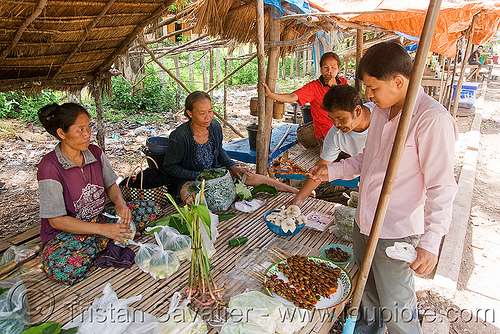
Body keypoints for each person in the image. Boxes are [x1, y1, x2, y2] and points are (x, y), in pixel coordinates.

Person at [312, 42, 458, 333]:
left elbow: (441, 186)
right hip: (364, 221)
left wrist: (430, 243)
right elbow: (370, 160)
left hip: (396, 231)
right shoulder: (380, 111)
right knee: (367, 298)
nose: (368, 96)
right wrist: (333, 170)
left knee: (397, 310)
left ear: (399, 82)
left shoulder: (431, 120)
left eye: (373, 88)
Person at [37, 103, 158, 285]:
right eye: (80, 130)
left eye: (88, 127)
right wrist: (103, 230)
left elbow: (111, 185)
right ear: (62, 133)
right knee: (61, 268)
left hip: (99, 218)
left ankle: (106, 240)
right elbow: (56, 220)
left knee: (150, 208)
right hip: (66, 233)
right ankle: (109, 239)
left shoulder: (94, 152)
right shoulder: (50, 167)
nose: (87, 134)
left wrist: (120, 204)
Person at [163, 91, 299, 204]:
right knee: (203, 201)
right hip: (190, 181)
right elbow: (170, 166)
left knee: (249, 176)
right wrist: (199, 176)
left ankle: (296, 192)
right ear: (190, 113)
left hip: (216, 175)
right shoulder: (180, 136)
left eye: (210, 111)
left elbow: (219, 151)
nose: (208, 116)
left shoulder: (214, 126)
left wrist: (233, 166)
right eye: (202, 113)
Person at [289, 85, 373, 207]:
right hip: (366, 175)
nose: (336, 124)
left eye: (340, 118)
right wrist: (299, 198)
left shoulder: (382, 118)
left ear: (357, 111)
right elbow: (320, 168)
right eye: (332, 118)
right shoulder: (335, 134)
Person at [262, 52, 348, 140]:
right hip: (326, 135)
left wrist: (333, 87)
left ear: (338, 68)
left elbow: (348, 104)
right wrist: (271, 94)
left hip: (345, 132)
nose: (329, 71)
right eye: (325, 67)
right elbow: (292, 97)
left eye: (333, 67)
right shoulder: (314, 87)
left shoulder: (343, 83)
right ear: (321, 69)